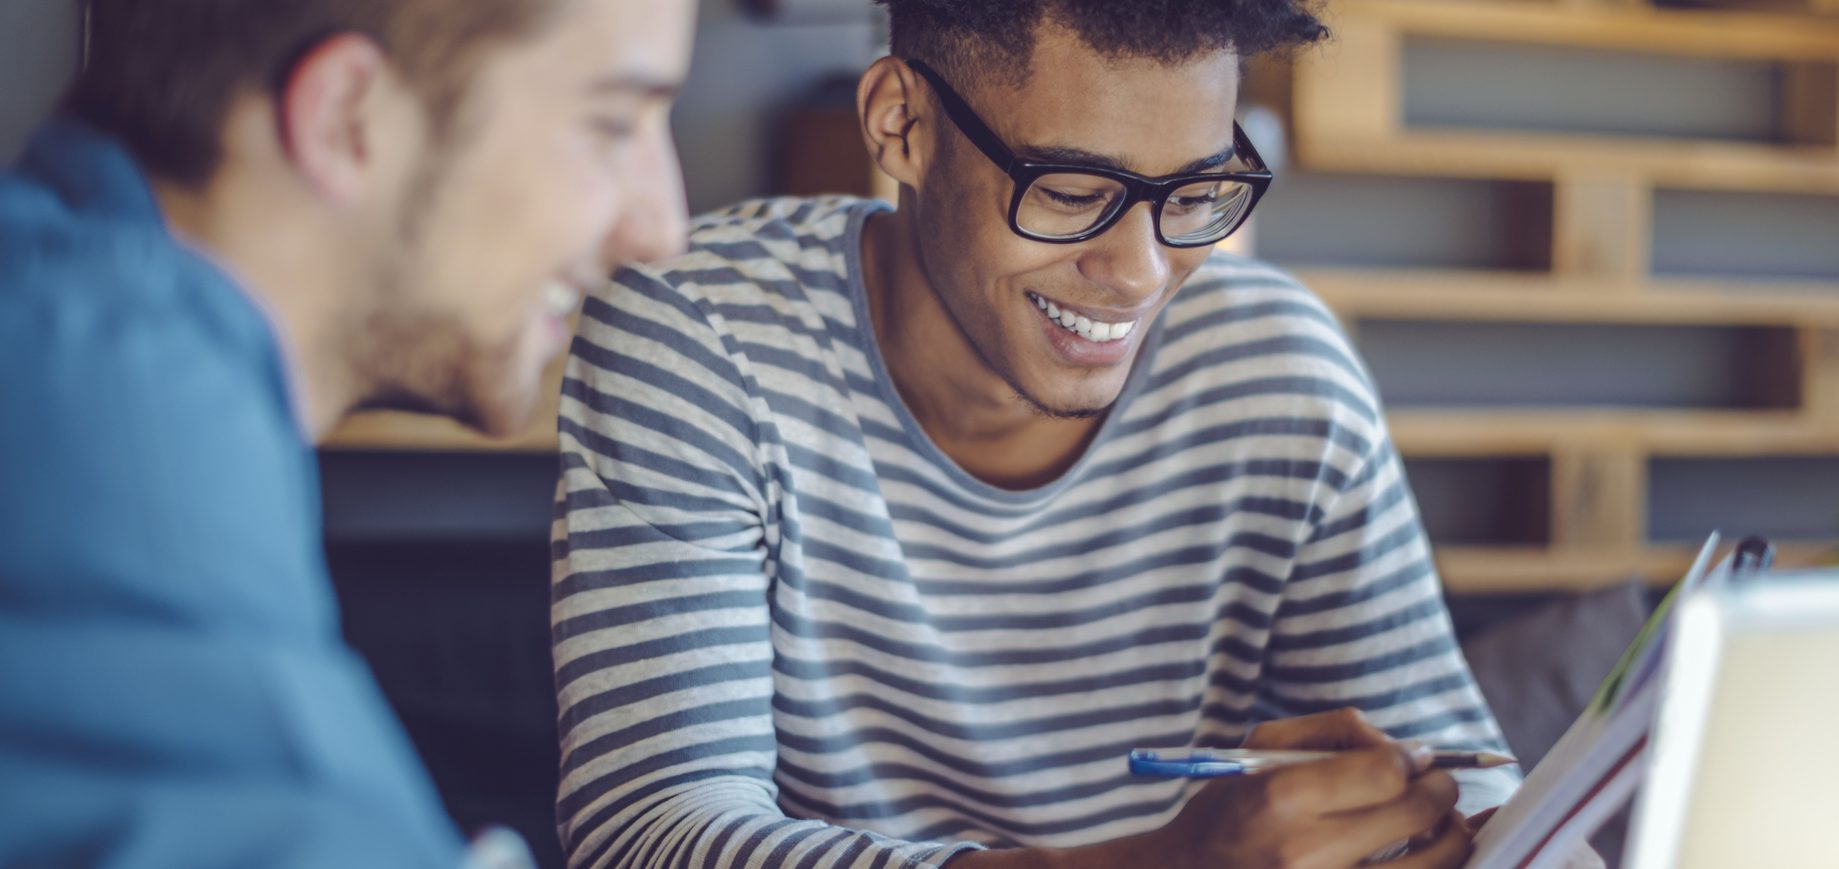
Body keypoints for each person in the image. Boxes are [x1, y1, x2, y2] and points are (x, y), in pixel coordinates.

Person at [550, 1, 1520, 867]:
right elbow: (649, 832)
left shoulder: (1275, 370)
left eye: (1193, 196)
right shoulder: (700, 332)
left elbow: (1465, 785)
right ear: (902, 125)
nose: (1139, 272)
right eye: (1070, 191)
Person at [0, 0, 692, 864]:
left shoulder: (66, 298)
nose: (661, 229)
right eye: (610, 125)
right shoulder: (109, 408)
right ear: (345, 120)